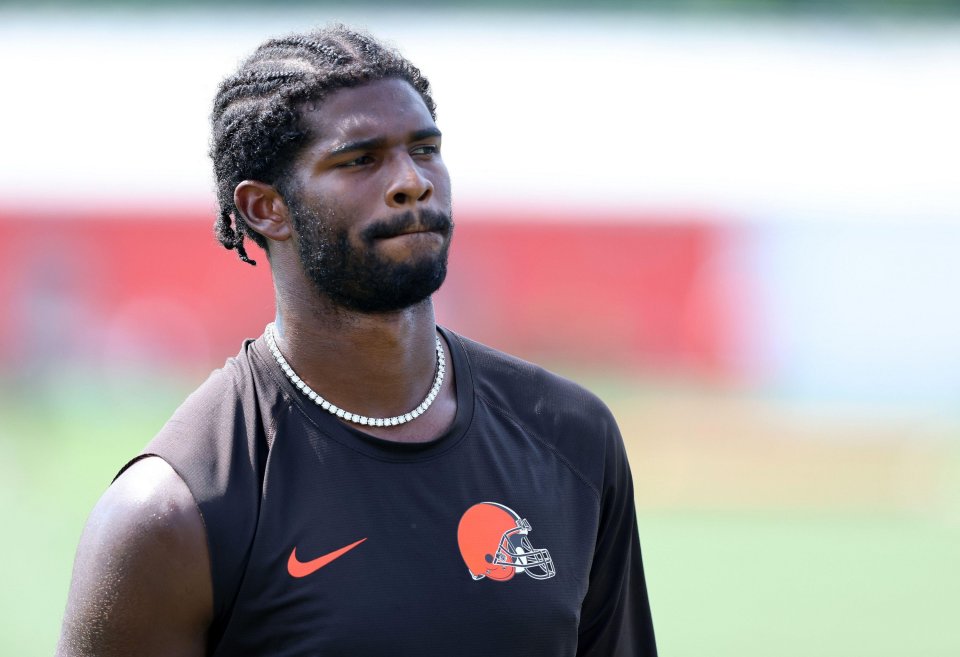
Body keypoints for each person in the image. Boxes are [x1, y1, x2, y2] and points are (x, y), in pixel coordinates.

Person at [57, 25, 657, 657]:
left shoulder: (570, 437)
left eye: (425, 150)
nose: (412, 181)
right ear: (265, 208)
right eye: (359, 160)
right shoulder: (175, 511)